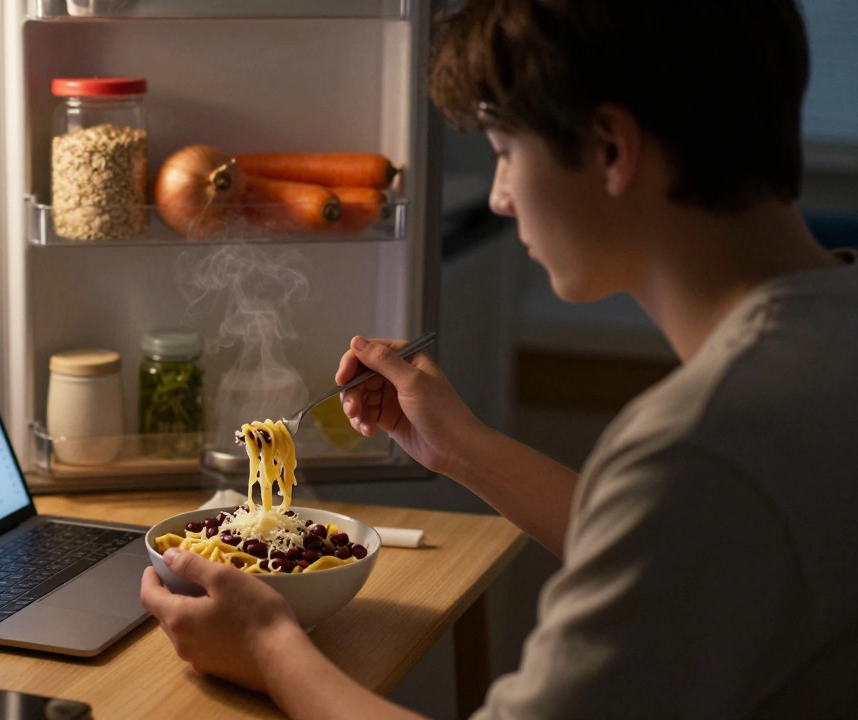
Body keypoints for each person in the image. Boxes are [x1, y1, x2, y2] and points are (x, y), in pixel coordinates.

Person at [140, 0, 858, 717]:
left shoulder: (698, 448)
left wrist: (269, 646)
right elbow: (692, 555)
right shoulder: (825, 335)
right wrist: (462, 449)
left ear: (611, 149)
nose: (500, 198)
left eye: (505, 152)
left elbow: (682, 506)